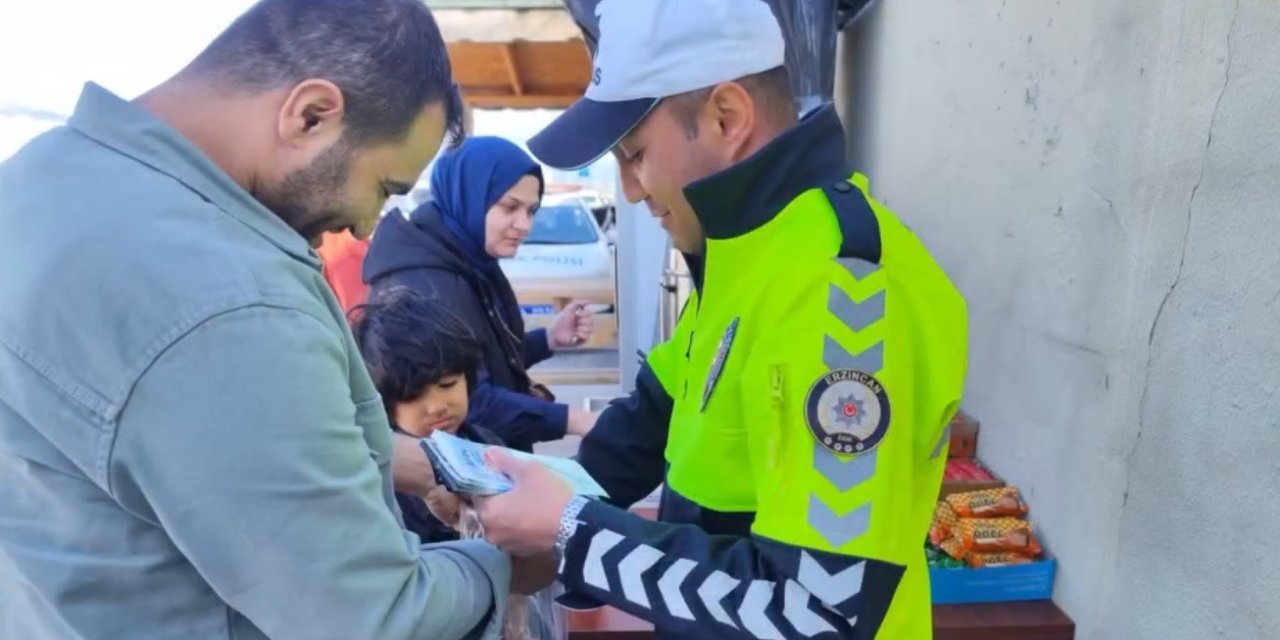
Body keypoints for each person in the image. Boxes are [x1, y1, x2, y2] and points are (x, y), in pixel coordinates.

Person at [0, 1, 525, 638]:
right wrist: (501, 563)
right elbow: (370, 618)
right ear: (311, 115)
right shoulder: (230, 299)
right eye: (384, 187)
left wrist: (400, 460)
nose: (365, 226)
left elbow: (173, 445)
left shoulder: (36, 180)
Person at [474, 1, 968, 639]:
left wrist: (575, 534)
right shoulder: (739, 254)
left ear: (727, 117)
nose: (628, 188)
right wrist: (502, 489)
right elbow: (645, 428)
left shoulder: (843, 290)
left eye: (635, 153)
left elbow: (824, 610)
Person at [364, 136, 598, 452]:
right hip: (447, 479)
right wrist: (577, 420)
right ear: (469, 197)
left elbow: (475, 360)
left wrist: (548, 339)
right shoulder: (425, 283)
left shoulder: (467, 259)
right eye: (510, 207)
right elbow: (468, 400)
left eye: (531, 210)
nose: (524, 224)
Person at [350, 286, 503, 543]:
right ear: (383, 402)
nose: (436, 407)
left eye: (447, 385)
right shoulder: (382, 479)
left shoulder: (488, 445)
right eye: (413, 396)